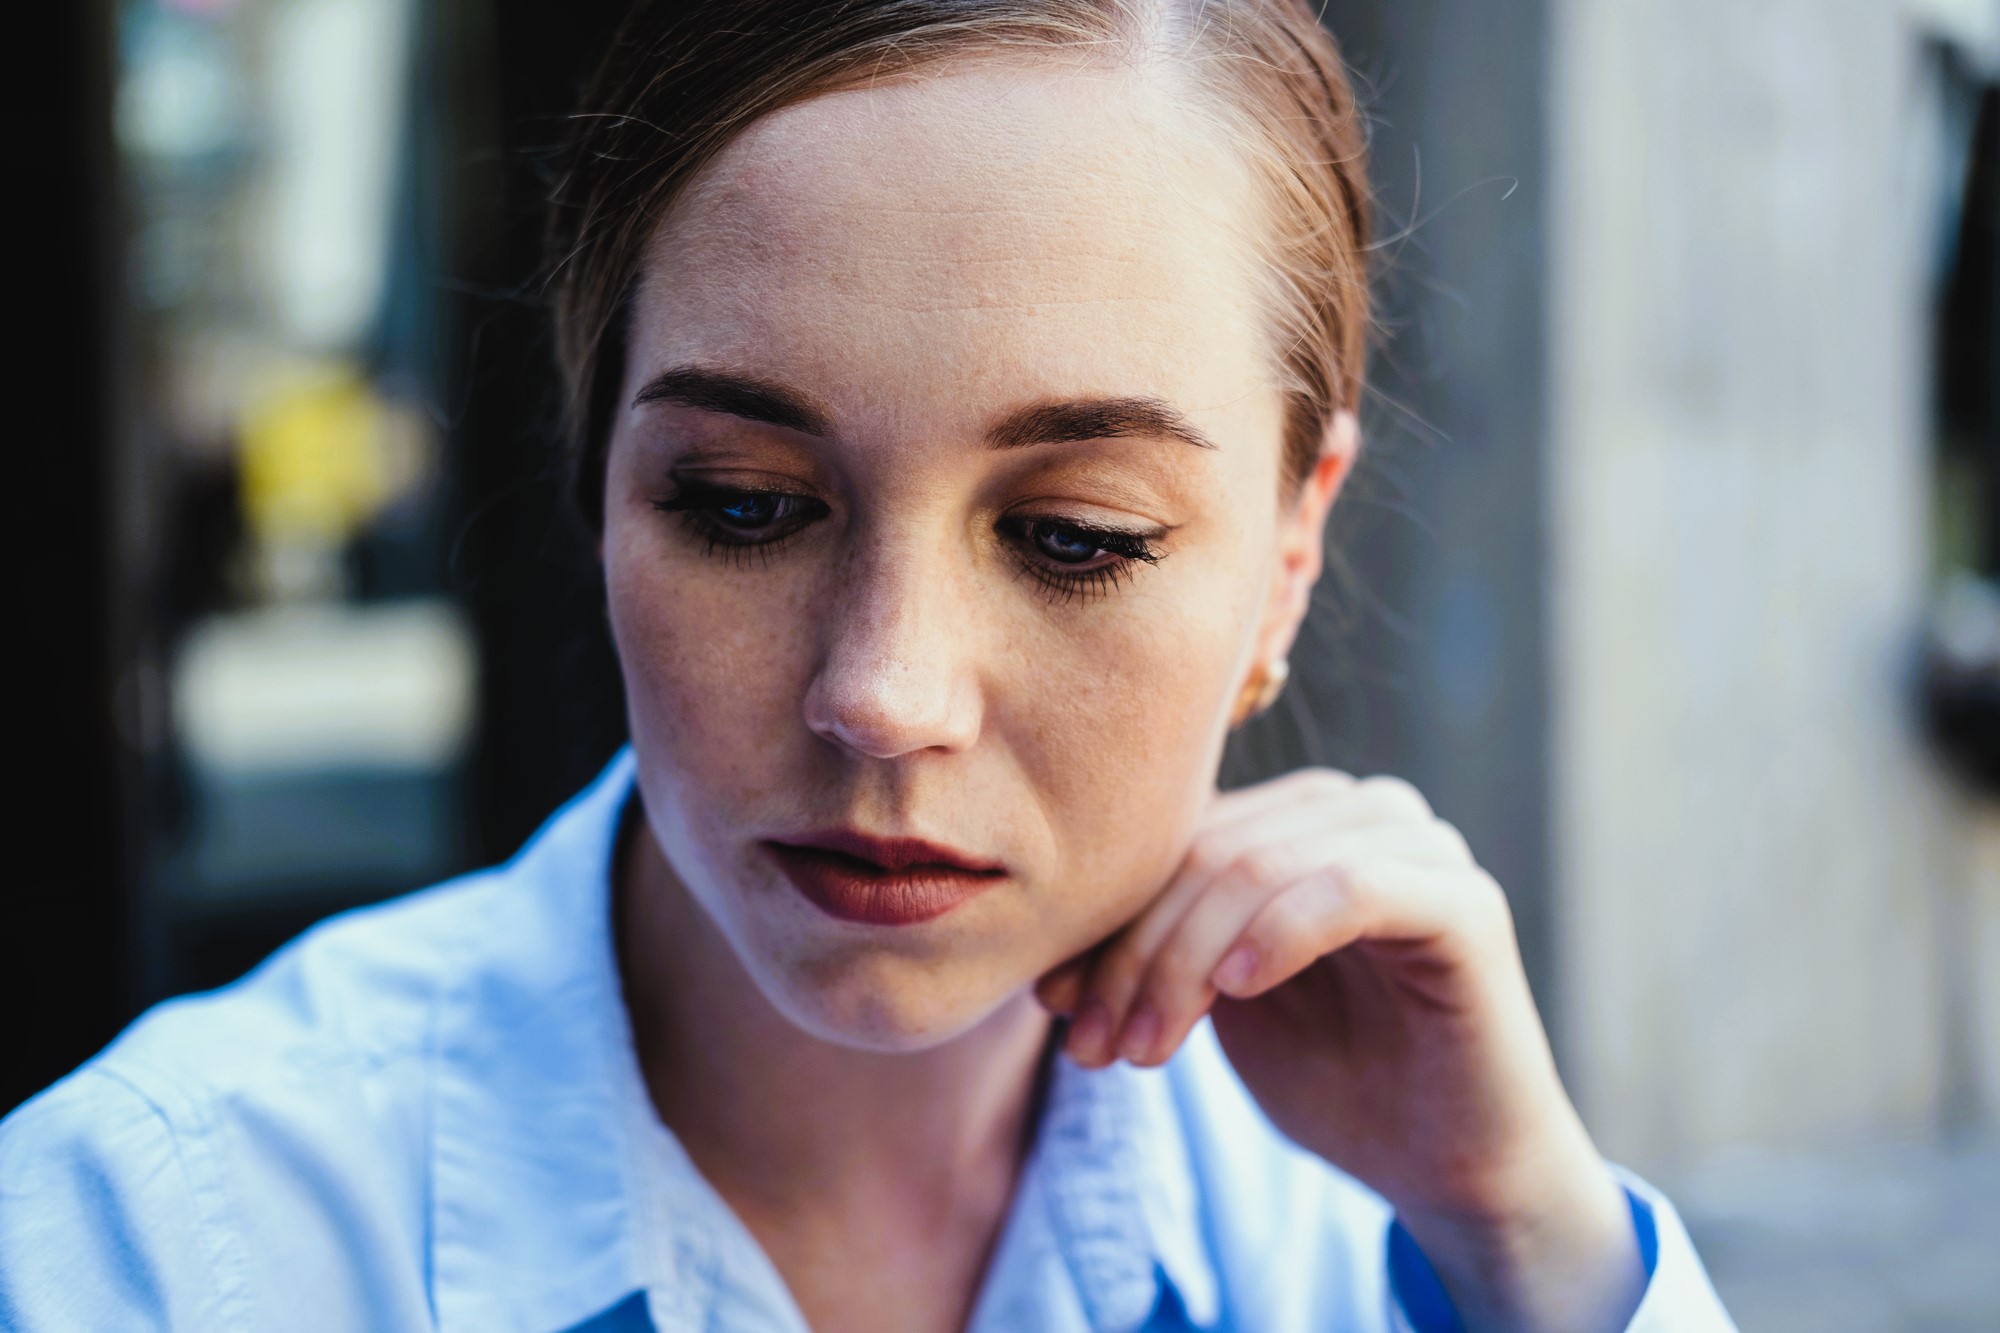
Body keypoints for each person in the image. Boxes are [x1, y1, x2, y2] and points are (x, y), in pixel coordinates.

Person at [0, 2, 1736, 1330]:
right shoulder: (153, 1244)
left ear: (1293, 549)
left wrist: (1533, 1234)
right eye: (747, 505)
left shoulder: (1382, 1239)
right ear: (601, 480)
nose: (888, 691)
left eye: (1074, 534)